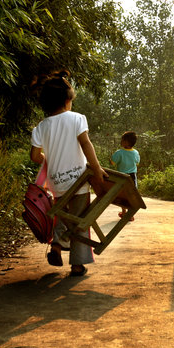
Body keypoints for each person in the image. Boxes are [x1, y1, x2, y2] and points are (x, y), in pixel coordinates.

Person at [29, 70, 107, 276]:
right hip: (79, 181)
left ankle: (56, 246)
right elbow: (86, 144)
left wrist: (47, 158)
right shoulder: (77, 119)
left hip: (57, 183)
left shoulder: (41, 127)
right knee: (81, 220)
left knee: (62, 216)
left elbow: (35, 156)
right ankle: (77, 264)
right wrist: (97, 168)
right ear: (66, 100)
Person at [110, 131, 140, 221]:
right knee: (131, 194)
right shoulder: (136, 153)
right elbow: (137, 163)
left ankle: (124, 212)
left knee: (122, 194)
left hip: (121, 176)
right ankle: (130, 214)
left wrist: (112, 156)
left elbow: (113, 162)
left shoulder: (119, 153)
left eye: (122, 140)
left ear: (126, 142)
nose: (121, 141)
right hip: (132, 176)